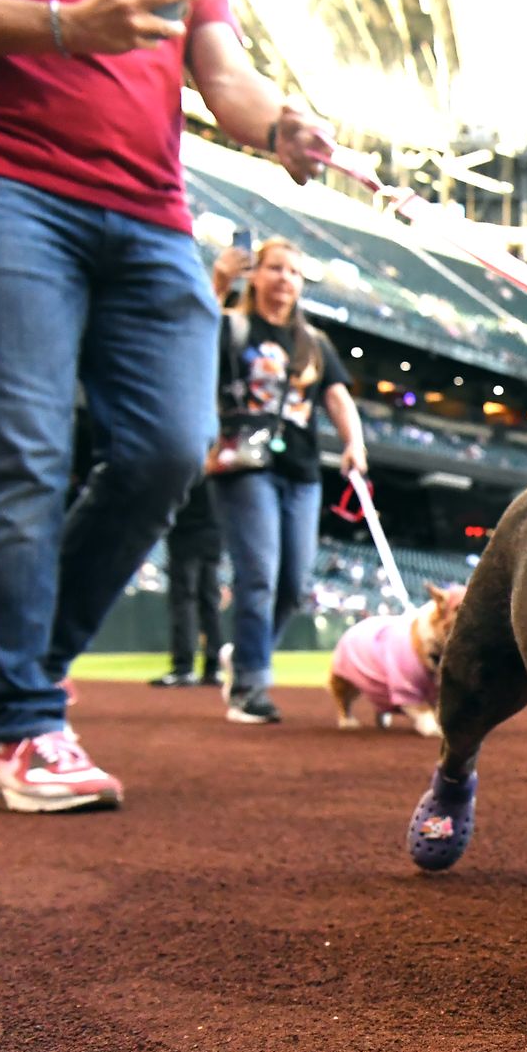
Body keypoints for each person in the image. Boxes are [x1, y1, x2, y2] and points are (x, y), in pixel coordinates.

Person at [0, 0, 332, 811]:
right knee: (20, 449)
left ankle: (24, 661)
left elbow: (221, 70)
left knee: (167, 449)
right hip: (1, 184)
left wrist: (278, 122)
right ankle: (16, 722)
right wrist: (64, 27)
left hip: (152, 212)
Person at [208, 237, 366, 724]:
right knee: (258, 575)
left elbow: (337, 397)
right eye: (275, 268)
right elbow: (187, 337)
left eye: (294, 273)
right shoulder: (232, 327)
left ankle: (247, 657)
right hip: (243, 465)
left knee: (294, 584)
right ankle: (250, 686)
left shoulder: (312, 342)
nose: (285, 279)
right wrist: (218, 281)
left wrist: (353, 444)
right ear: (255, 275)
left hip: (300, 470)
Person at [148, 478, 223, 689]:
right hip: (213, 537)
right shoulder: (215, 466)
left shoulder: (191, 462)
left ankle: (183, 667)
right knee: (209, 603)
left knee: (184, 601)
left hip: (186, 536)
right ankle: (213, 667)